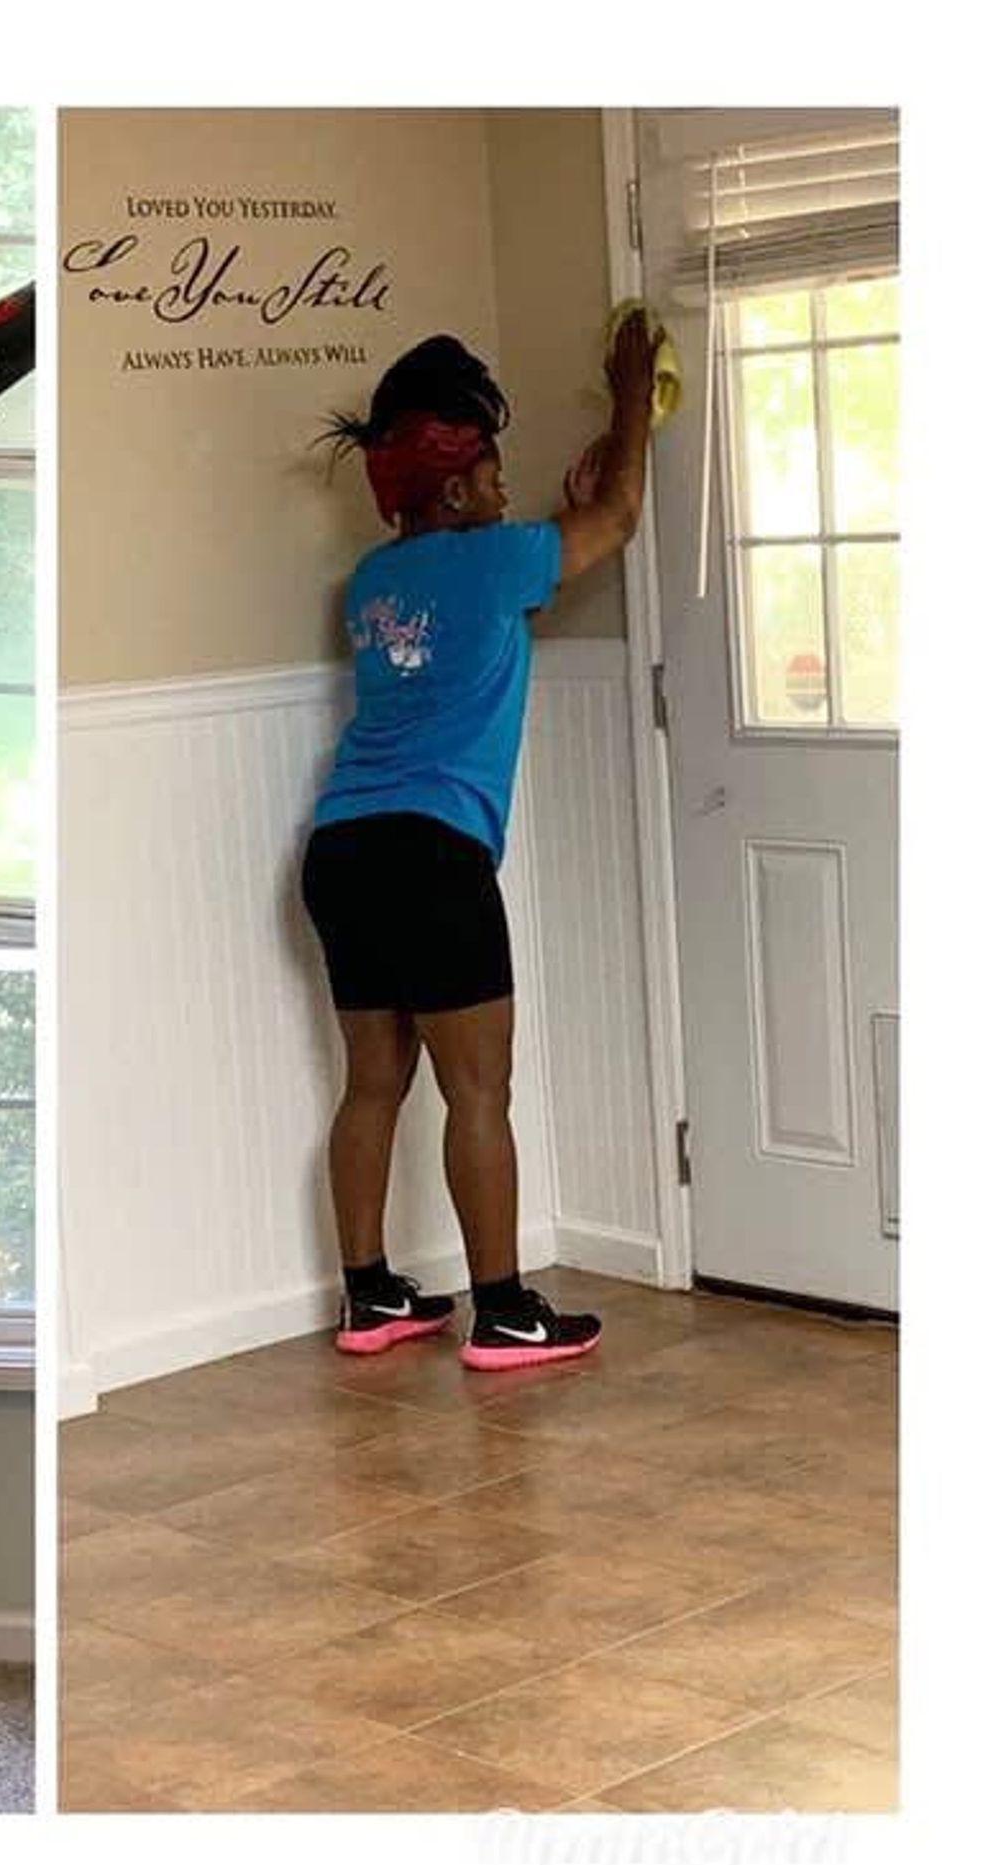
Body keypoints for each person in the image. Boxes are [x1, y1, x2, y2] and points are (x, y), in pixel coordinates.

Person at [303, 316, 658, 1371]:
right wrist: (632, 399)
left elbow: (477, 600)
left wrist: (556, 512)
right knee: (478, 1092)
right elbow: (623, 517)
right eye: (495, 478)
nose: (508, 494)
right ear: (456, 492)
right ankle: (503, 1309)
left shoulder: (370, 583)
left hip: (341, 849)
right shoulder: (502, 562)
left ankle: (368, 1299)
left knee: (374, 1082)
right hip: (435, 855)